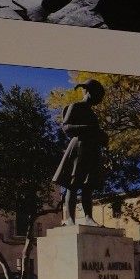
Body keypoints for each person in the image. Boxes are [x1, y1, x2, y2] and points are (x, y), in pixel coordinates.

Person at [52, 79, 107, 227]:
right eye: (99, 96)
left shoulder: (92, 113)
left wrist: (102, 137)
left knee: (88, 185)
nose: (100, 100)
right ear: (89, 92)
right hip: (78, 149)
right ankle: (70, 218)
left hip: (91, 150)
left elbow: (94, 132)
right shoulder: (75, 106)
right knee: (72, 184)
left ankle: (88, 218)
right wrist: (89, 129)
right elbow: (66, 127)